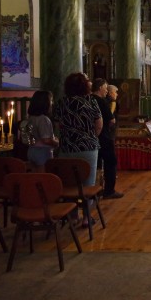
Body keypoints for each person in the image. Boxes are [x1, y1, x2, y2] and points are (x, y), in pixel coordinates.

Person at [53, 73, 103, 227]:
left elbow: (56, 124)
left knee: (69, 183)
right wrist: (91, 137)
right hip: (88, 147)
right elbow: (99, 124)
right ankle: (87, 218)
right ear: (85, 86)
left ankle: (73, 216)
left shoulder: (62, 103)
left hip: (67, 146)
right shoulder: (91, 101)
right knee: (87, 185)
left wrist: (65, 137)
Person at [92, 79, 123, 199]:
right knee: (110, 162)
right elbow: (111, 120)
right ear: (100, 88)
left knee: (97, 164)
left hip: (92, 138)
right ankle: (109, 190)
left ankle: (96, 189)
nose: (106, 91)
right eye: (105, 88)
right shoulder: (101, 101)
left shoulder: (88, 100)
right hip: (104, 136)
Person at [26, 90, 59, 172]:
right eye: (51, 101)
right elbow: (46, 139)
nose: (52, 103)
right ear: (45, 103)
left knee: (34, 177)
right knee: (43, 178)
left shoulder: (31, 118)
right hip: (42, 152)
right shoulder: (44, 119)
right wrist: (56, 142)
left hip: (31, 150)